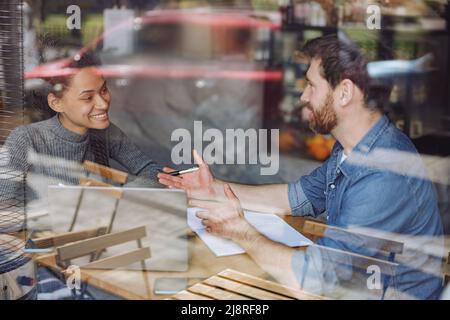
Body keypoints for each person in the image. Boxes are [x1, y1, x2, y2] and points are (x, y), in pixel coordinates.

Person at [158, 34, 444, 299]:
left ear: (344, 93)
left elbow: (314, 279)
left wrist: (240, 231)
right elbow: (295, 198)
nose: (303, 96)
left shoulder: (382, 176)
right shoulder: (354, 149)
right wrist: (213, 190)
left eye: (311, 85)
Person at [0, 52, 162, 219]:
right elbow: (3, 212)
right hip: (47, 240)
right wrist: (58, 214)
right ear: (56, 103)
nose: (103, 103)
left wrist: (115, 198)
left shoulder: (105, 132)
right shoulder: (26, 139)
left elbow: (152, 171)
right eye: (88, 97)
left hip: (96, 235)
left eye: (104, 90)